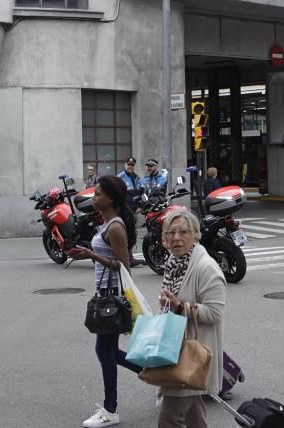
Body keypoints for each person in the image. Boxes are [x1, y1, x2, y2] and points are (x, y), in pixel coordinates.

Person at [70, 176, 141, 428]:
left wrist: (91, 253)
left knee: (104, 351)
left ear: (110, 198)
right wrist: (88, 254)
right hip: (106, 294)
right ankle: (158, 376)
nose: (94, 197)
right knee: (109, 351)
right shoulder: (107, 224)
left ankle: (111, 409)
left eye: (98, 194)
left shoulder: (115, 227)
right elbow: (108, 259)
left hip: (113, 297)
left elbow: (124, 266)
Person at [157, 209, 226, 428]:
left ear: (195, 236)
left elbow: (215, 313)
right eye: (171, 232)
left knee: (169, 419)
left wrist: (181, 306)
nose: (177, 238)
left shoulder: (206, 268)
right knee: (194, 416)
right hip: (176, 350)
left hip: (192, 357)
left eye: (184, 232)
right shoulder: (173, 264)